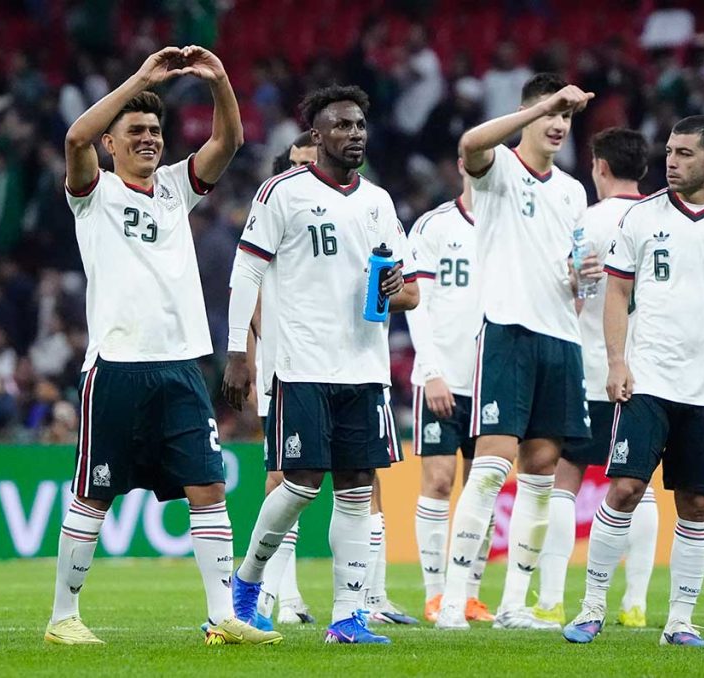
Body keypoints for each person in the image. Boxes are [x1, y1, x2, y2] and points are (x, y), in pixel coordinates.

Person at [46, 46, 281, 646]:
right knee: (94, 494)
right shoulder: (91, 190)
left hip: (179, 367)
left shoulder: (178, 186)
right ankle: (63, 617)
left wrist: (222, 79)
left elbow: (226, 144)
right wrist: (141, 81)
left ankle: (221, 615)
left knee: (209, 486)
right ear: (113, 143)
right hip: (117, 368)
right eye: (136, 131)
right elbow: (75, 138)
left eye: (155, 130)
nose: (149, 139)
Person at [563, 116, 704, 647]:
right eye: (669, 151)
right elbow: (615, 293)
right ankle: (591, 607)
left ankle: (679, 621)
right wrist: (617, 361)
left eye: (684, 153)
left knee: (697, 504)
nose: (671, 161)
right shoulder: (640, 216)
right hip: (649, 380)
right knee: (626, 488)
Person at [223, 85, 419, 645]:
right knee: (302, 483)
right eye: (341, 125)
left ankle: (348, 617)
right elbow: (247, 274)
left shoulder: (378, 202)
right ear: (317, 135)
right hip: (301, 364)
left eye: (360, 124)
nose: (354, 133)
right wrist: (239, 351)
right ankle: (248, 582)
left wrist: (396, 285)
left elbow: (408, 295)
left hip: (365, 368)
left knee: (357, 486)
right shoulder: (280, 193)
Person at [435, 73, 599, 631]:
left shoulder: (575, 191)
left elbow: (574, 272)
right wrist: (541, 105)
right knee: (488, 469)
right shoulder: (500, 167)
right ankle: (454, 602)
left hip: (561, 338)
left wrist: (584, 276)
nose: (558, 125)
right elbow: (469, 147)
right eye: (551, 114)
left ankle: (514, 605)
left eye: (566, 117)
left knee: (542, 471)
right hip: (508, 331)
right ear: (529, 114)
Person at [532, 128, 658, 629]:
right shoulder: (662, 217)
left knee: (566, 475)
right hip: (650, 369)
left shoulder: (587, 220)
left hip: (589, 364)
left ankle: (552, 598)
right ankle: (636, 603)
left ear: (600, 167)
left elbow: (572, 286)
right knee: (640, 484)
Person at [406, 162, 495, 624]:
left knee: (483, 489)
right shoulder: (434, 226)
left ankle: (471, 593)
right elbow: (415, 305)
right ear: (462, 164)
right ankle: (436, 593)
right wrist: (432, 370)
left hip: (495, 381)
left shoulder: (512, 227)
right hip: (444, 379)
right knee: (439, 482)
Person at [245, 131, 318, 628]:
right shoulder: (271, 211)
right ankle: (269, 592)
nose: (304, 169)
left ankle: (285, 593)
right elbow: (249, 296)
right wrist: (250, 367)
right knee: (283, 477)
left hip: (332, 366)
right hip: (282, 367)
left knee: (339, 480)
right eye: (295, 162)